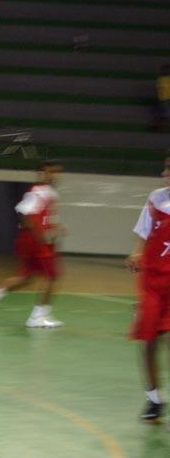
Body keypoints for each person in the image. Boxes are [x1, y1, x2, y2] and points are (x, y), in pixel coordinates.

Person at [0, 160, 66, 328]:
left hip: (32, 239)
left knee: (25, 278)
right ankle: (37, 317)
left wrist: (56, 227)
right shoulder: (39, 190)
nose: (54, 175)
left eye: (57, 172)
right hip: (34, 240)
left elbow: (45, 217)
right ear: (42, 174)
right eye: (51, 172)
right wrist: (40, 235)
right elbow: (24, 212)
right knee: (52, 276)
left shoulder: (50, 193)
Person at [126, 155, 170, 423]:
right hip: (152, 282)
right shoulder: (156, 198)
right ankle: (153, 399)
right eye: (166, 168)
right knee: (149, 340)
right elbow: (144, 232)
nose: (165, 173)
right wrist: (136, 252)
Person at [154, 65, 170, 132]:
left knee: (164, 115)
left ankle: (159, 127)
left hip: (164, 99)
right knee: (165, 115)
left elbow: (157, 89)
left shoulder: (160, 79)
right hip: (164, 100)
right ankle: (159, 127)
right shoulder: (160, 80)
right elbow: (158, 90)